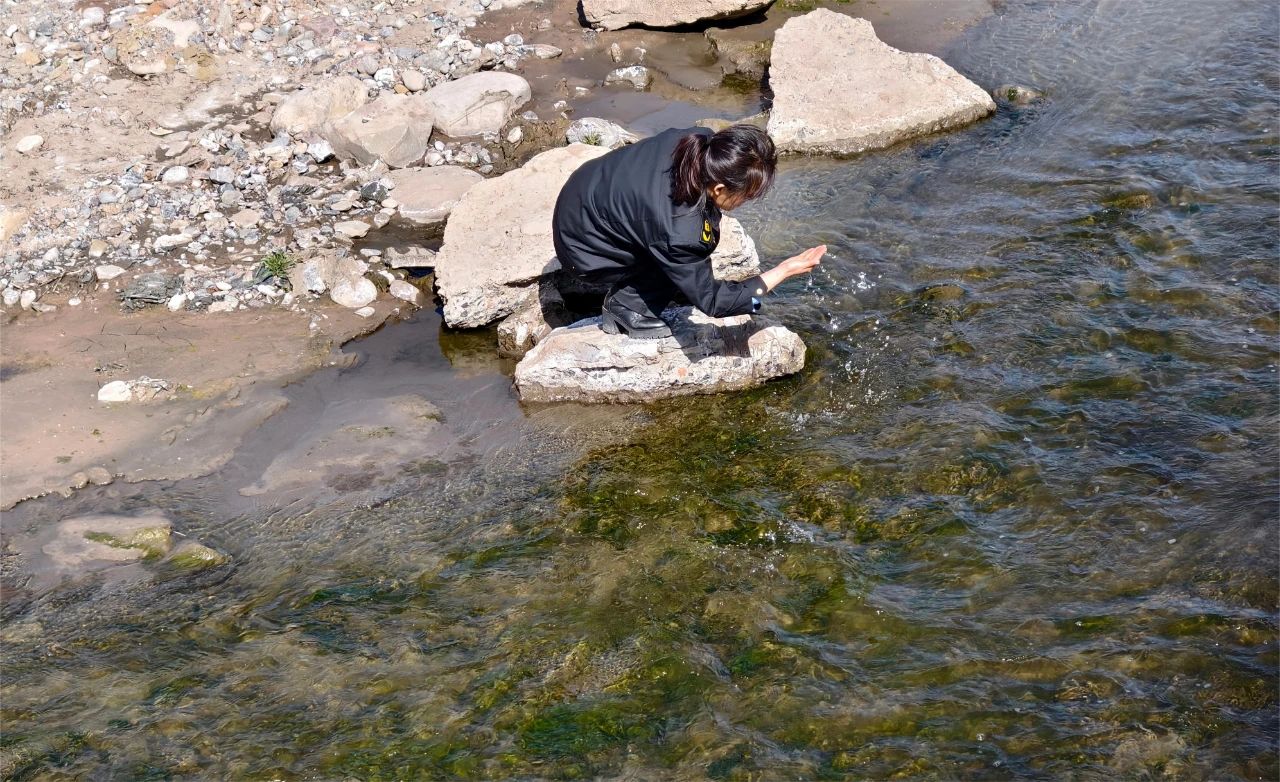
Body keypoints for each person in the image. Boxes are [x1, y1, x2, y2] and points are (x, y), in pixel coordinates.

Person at [552, 124, 827, 338]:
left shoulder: (699, 141)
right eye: (746, 196)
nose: (746, 202)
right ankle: (626, 307)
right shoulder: (680, 232)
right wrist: (783, 271)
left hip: (582, 193)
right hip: (581, 249)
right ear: (719, 188)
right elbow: (713, 303)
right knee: (678, 261)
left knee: (686, 252)